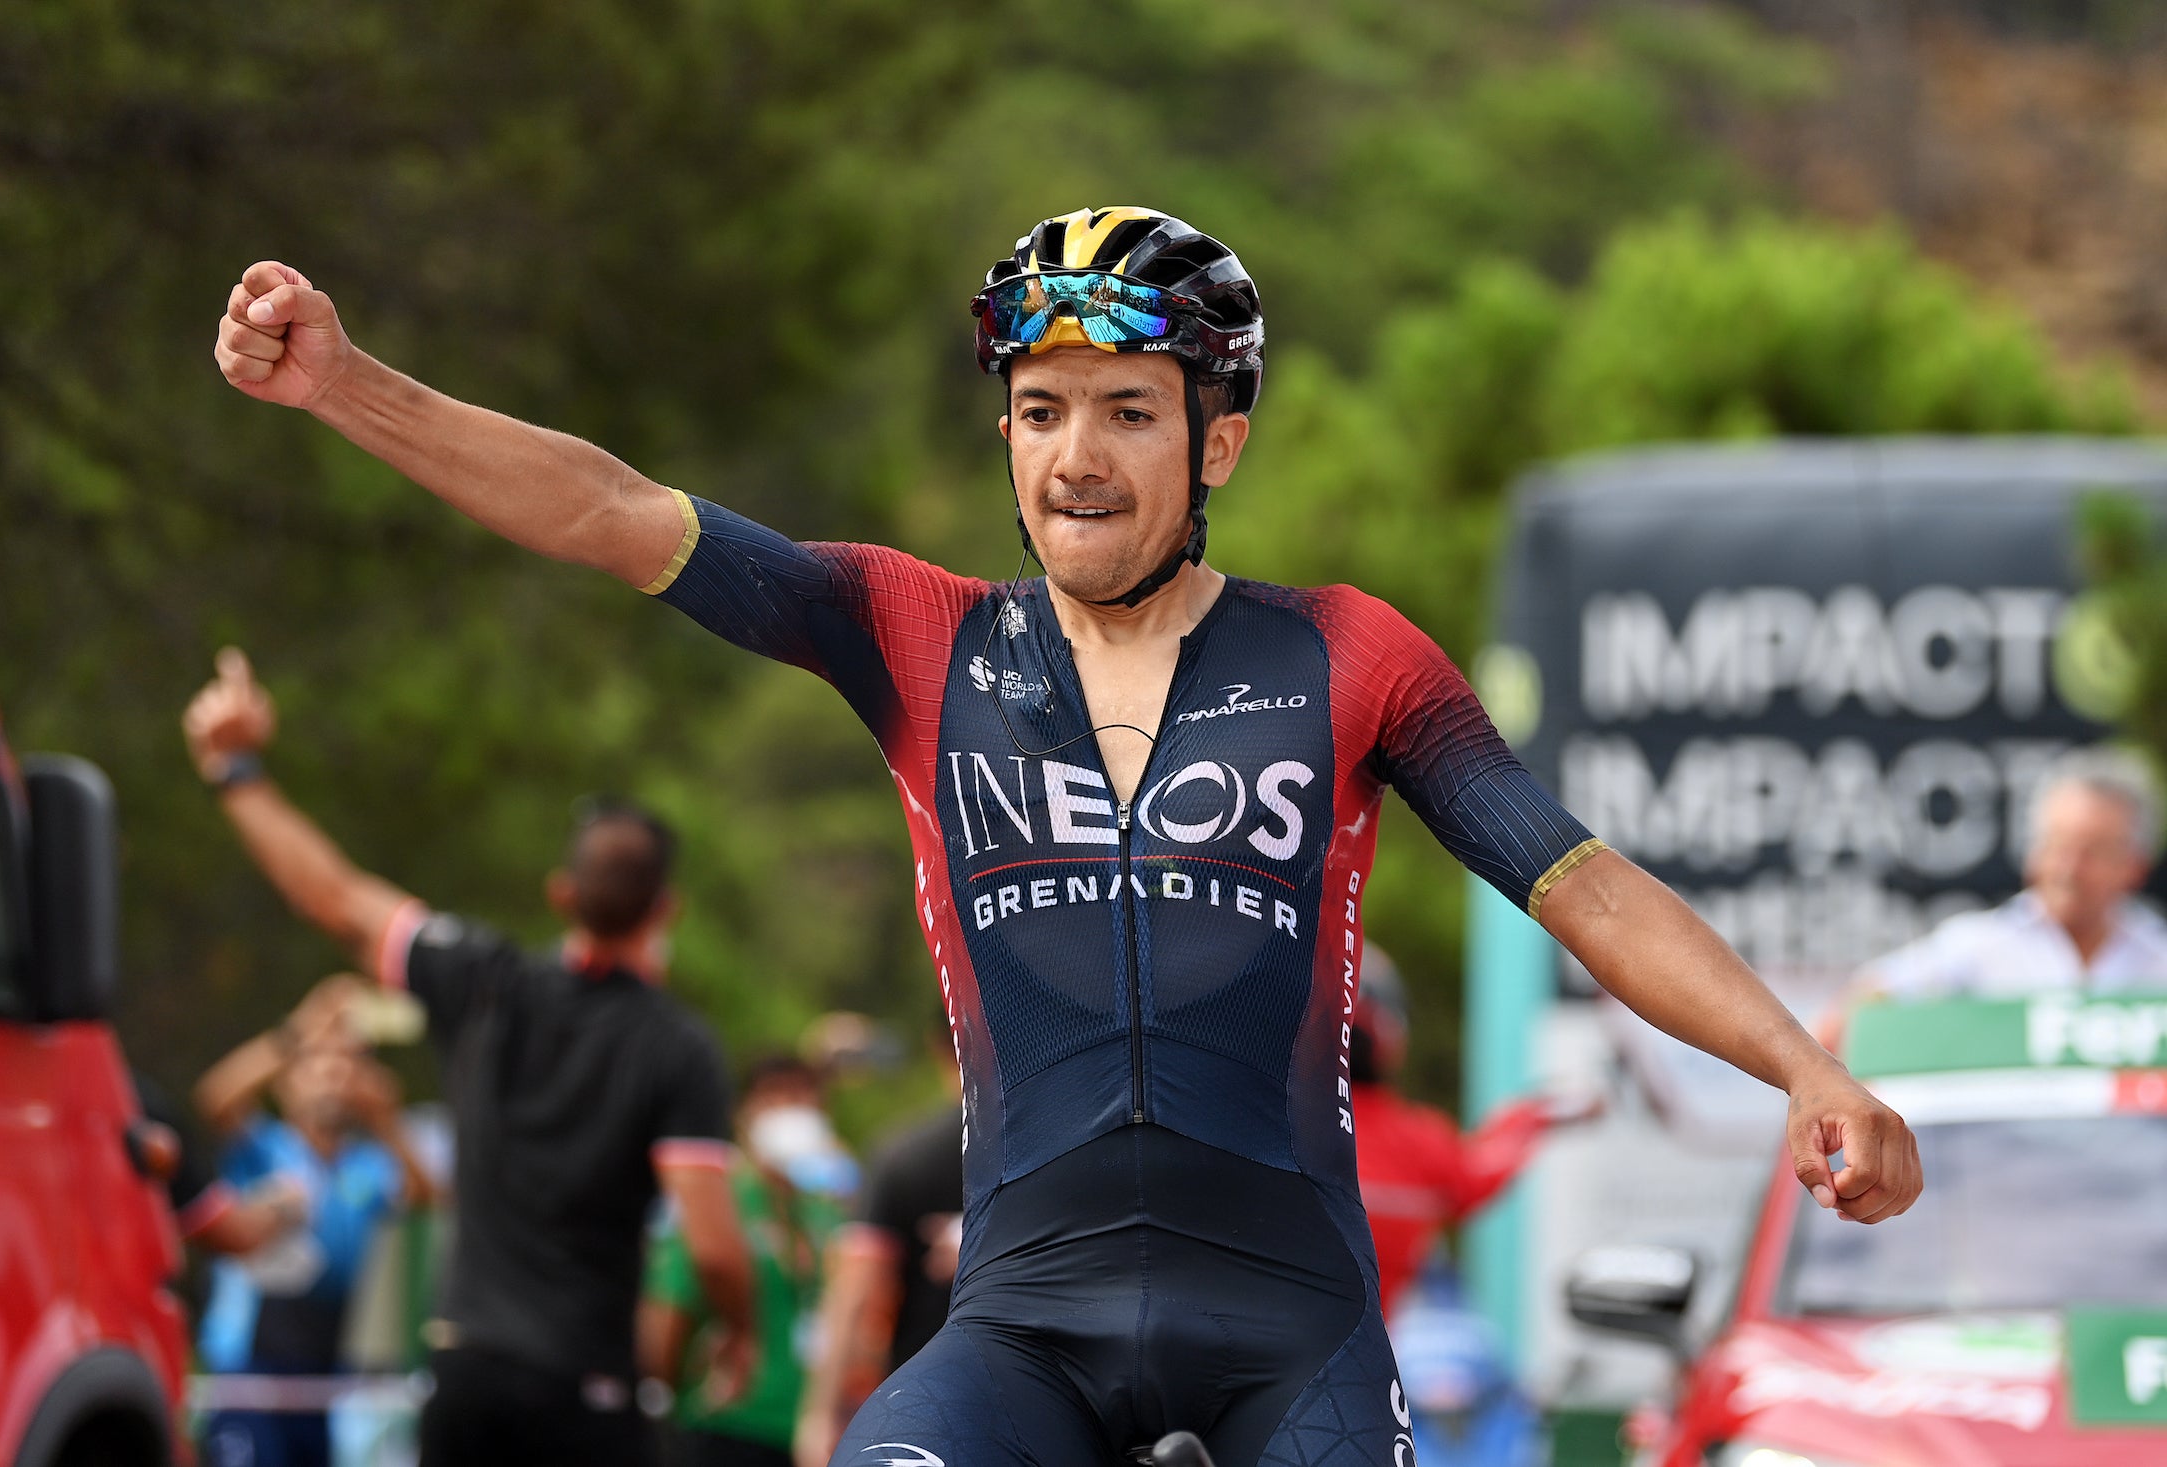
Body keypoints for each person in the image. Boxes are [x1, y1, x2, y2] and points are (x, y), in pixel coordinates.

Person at [210, 206, 1919, 1464]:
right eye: (1040, 408)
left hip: (1292, 1333)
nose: (1075, 457)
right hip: (1023, 1321)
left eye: (1126, 408)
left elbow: (1578, 879)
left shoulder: (1350, 657)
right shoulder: (913, 632)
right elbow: (608, 510)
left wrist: (1803, 1065)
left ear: (1218, 435)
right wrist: (349, 386)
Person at [181, 654, 755, 1467]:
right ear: (668, 908)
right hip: (585, 1379)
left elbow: (335, 898)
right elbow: (715, 1249)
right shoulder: (678, 1045)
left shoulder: (485, 980)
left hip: (467, 1369)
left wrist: (235, 769)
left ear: (562, 894)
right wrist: (739, 1328)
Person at [190, 976, 435, 1467]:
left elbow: (425, 1195)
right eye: (317, 1064)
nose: (332, 1075)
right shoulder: (263, 1147)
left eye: (345, 1064)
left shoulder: (367, 1165)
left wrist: (387, 1119)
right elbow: (214, 1098)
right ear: (287, 1083)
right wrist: (298, 1031)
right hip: (249, 1377)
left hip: (323, 1380)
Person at [1348, 946, 1575, 1319]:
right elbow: (1483, 1169)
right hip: (1359, 1348)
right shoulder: (1417, 1145)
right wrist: (1536, 1115)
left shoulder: (1270, 1119)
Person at [642, 1055, 844, 1467]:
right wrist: (657, 1400)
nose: (790, 1111)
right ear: (744, 1113)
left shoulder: (826, 1213)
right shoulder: (720, 1201)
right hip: (728, 1422)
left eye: (802, 1098)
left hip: (807, 1435)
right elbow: (668, 1308)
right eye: (774, 1097)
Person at [1858, 748, 2167, 1000]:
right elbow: (1866, 998)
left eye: (2092, 852)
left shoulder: (2158, 960)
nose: (2069, 869)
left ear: (2135, 867)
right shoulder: (1976, 948)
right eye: (2057, 845)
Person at [791, 1026, 963, 1467]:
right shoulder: (1065, 1151)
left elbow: (855, 1291)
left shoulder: (906, 1155)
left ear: (941, 1047)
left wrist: (819, 1414)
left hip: (923, 1404)